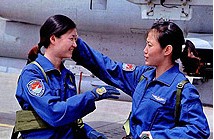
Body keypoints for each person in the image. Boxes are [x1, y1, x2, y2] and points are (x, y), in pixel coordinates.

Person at [72, 20, 210, 139]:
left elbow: (199, 129)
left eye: (150, 45)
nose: (145, 50)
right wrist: (75, 44)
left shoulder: (183, 90)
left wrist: (156, 137)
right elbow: (109, 68)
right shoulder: (143, 76)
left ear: (167, 50)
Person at [13, 14, 120, 139]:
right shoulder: (32, 74)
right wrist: (90, 96)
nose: (75, 45)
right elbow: (54, 113)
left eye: (76, 40)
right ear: (53, 39)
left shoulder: (67, 76)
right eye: (71, 39)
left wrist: (90, 133)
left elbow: (71, 119)